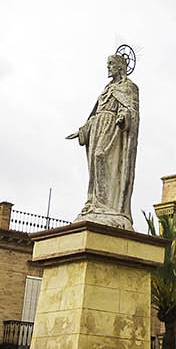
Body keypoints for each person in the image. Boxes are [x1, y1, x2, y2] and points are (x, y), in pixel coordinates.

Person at [66, 51, 141, 229]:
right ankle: (95, 202)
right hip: (98, 128)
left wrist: (124, 117)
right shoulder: (107, 89)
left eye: (111, 64)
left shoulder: (129, 87)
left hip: (114, 130)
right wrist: (83, 129)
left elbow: (131, 110)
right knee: (94, 163)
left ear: (120, 67)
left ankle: (108, 204)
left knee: (102, 157)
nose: (108, 68)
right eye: (107, 65)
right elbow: (96, 113)